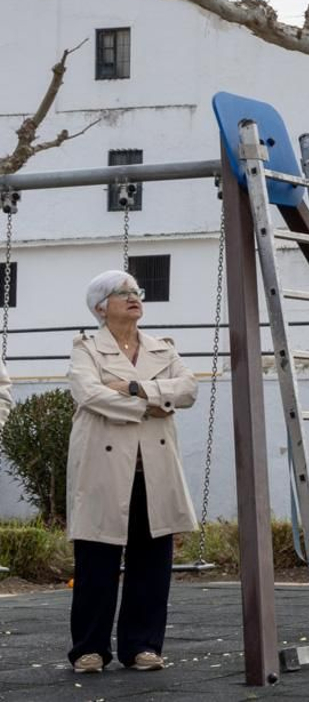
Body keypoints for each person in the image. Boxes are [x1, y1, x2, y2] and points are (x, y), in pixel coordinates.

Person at [65, 270, 198, 675]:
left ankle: (142, 645)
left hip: (154, 469)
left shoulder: (162, 348)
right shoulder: (86, 348)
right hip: (104, 468)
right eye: (122, 292)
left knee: (152, 561)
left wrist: (135, 388)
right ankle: (89, 649)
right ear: (101, 307)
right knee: (97, 560)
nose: (134, 296)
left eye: (136, 290)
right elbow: (88, 393)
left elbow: (188, 390)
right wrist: (152, 403)